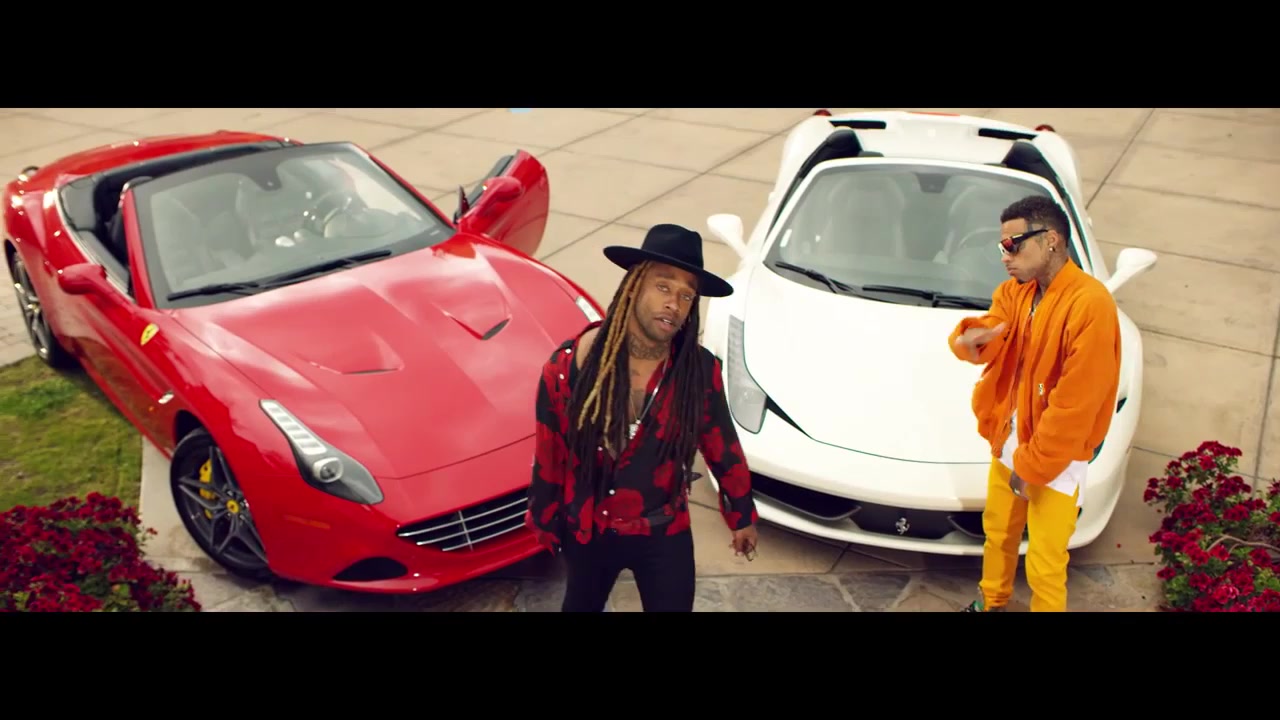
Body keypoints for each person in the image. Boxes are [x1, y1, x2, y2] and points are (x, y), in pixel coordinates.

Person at [524, 223, 759, 612]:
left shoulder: (698, 372)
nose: (674, 303)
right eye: (663, 286)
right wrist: (545, 519)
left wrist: (741, 516)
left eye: (686, 295)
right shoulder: (568, 367)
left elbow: (723, 447)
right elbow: (550, 453)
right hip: (589, 530)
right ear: (633, 286)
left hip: (663, 530)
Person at [948, 195, 1121, 612]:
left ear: (1051, 240)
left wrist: (1032, 467)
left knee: (1045, 563)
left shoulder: (1091, 305)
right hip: (1009, 440)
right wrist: (969, 340)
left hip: (1057, 458)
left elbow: (1075, 405)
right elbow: (993, 330)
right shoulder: (1017, 292)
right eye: (1001, 246)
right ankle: (991, 603)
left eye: (1013, 245)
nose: (1005, 256)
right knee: (998, 534)